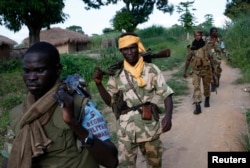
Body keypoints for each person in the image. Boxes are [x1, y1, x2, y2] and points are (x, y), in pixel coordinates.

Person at [1, 42, 118, 168]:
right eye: (26, 71)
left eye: (40, 70)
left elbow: (111, 161)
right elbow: (9, 158)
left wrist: (73, 123)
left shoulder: (81, 106)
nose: (31, 77)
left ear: (58, 69)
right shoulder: (18, 114)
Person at [93, 32, 174, 167]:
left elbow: (166, 93)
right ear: (121, 51)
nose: (129, 52)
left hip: (149, 128)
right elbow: (110, 102)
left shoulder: (151, 69)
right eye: (125, 49)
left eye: (132, 47)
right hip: (125, 131)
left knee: (155, 165)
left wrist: (168, 117)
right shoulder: (117, 74)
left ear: (138, 47)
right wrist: (98, 84)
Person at [183, 30, 214, 114]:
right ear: (194, 36)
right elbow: (188, 60)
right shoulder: (192, 47)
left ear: (201, 36)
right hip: (196, 70)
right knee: (196, 87)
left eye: (199, 35)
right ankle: (197, 105)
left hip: (206, 69)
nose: (198, 37)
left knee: (206, 86)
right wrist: (185, 71)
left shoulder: (206, 46)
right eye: (196, 35)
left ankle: (207, 98)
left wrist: (213, 68)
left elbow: (211, 57)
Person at [205, 27, 223, 92]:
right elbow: (204, 48)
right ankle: (212, 85)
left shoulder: (219, 40)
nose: (215, 32)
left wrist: (228, 56)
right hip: (209, 58)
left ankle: (217, 80)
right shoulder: (207, 40)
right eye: (213, 31)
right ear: (211, 33)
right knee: (211, 71)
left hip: (217, 59)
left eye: (216, 31)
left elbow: (223, 48)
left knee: (218, 71)